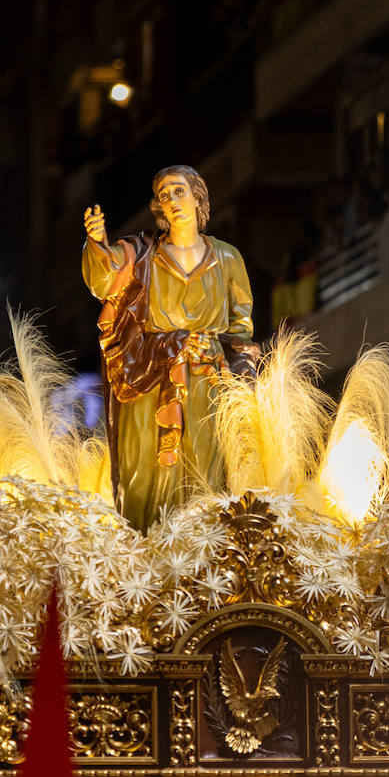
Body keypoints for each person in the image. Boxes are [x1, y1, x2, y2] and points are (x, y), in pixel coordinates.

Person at [82, 165, 259, 531]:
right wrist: (97, 242)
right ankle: (147, 559)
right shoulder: (142, 254)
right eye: (164, 196)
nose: (172, 201)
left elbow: (241, 328)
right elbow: (105, 280)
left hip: (207, 382)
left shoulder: (227, 259)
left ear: (198, 197)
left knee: (206, 476)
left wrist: (240, 383)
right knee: (145, 476)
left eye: (179, 191)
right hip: (150, 378)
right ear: (158, 209)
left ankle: (199, 557)